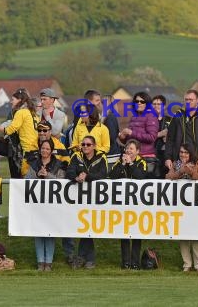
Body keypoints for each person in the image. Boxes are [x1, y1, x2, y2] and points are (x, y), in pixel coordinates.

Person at [65, 135, 108, 269]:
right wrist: (77, 177)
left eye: (88, 144)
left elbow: (103, 174)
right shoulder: (76, 155)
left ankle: (83, 257)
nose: (85, 147)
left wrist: (87, 176)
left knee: (89, 226)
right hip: (79, 199)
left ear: (94, 146)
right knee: (84, 226)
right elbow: (69, 171)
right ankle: (87, 259)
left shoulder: (101, 157)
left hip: (96, 199)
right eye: (83, 144)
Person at [25, 139, 66, 271]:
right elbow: (26, 180)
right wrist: (37, 175)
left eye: (47, 149)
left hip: (52, 204)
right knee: (38, 232)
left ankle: (48, 262)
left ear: (51, 150)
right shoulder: (34, 164)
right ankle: (40, 261)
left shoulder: (58, 164)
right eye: (43, 148)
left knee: (49, 232)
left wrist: (47, 175)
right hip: (37, 205)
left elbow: (62, 181)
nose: (45, 151)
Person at [166, 143, 198, 271]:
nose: (183, 154)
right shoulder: (175, 163)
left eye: (186, 152)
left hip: (195, 204)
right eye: (181, 152)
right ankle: (187, 264)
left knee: (195, 234)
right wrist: (180, 171)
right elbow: (168, 176)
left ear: (191, 153)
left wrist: (191, 172)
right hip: (180, 205)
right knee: (183, 234)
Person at [0, 88, 39, 177]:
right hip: (36, 149)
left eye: (13, 99)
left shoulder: (21, 112)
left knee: (22, 181)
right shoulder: (33, 112)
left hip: (27, 152)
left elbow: (9, 130)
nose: (10, 102)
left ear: (19, 100)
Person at [109, 139, 147, 269]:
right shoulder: (120, 161)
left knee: (136, 233)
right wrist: (122, 164)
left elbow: (141, 177)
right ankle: (125, 262)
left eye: (131, 149)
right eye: (127, 148)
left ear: (137, 151)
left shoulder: (142, 162)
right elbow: (112, 176)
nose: (128, 151)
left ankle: (135, 262)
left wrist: (130, 164)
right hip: (123, 203)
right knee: (124, 233)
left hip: (137, 203)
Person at [165, 90, 198, 176]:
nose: (188, 102)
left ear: (197, 100)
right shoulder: (178, 116)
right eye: (186, 99)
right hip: (180, 161)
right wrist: (168, 158)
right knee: (178, 185)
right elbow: (170, 139)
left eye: (191, 100)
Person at [118, 92, 159, 178]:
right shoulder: (134, 117)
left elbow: (152, 137)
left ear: (147, 104)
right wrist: (123, 137)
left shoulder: (151, 116)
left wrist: (131, 133)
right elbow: (131, 140)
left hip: (146, 157)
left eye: (142, 101)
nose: (139, 103)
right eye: (137, 101)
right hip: (132, 157)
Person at [153, 95, 172, 178]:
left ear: (164, 106)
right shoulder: (148, 119)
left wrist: (168, 135)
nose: (156, 106)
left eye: (158, 104)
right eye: (154, 104)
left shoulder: (170, 120)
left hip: (165, 154)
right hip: (151, 153)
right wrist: (160, 134)